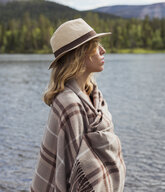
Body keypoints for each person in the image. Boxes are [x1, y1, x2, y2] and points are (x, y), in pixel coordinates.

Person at [30, 18, 126, 192]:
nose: (103, 51)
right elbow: (67, 171)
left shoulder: (94, 94)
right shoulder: (69, 103)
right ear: (81, 53)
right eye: (96, 46)